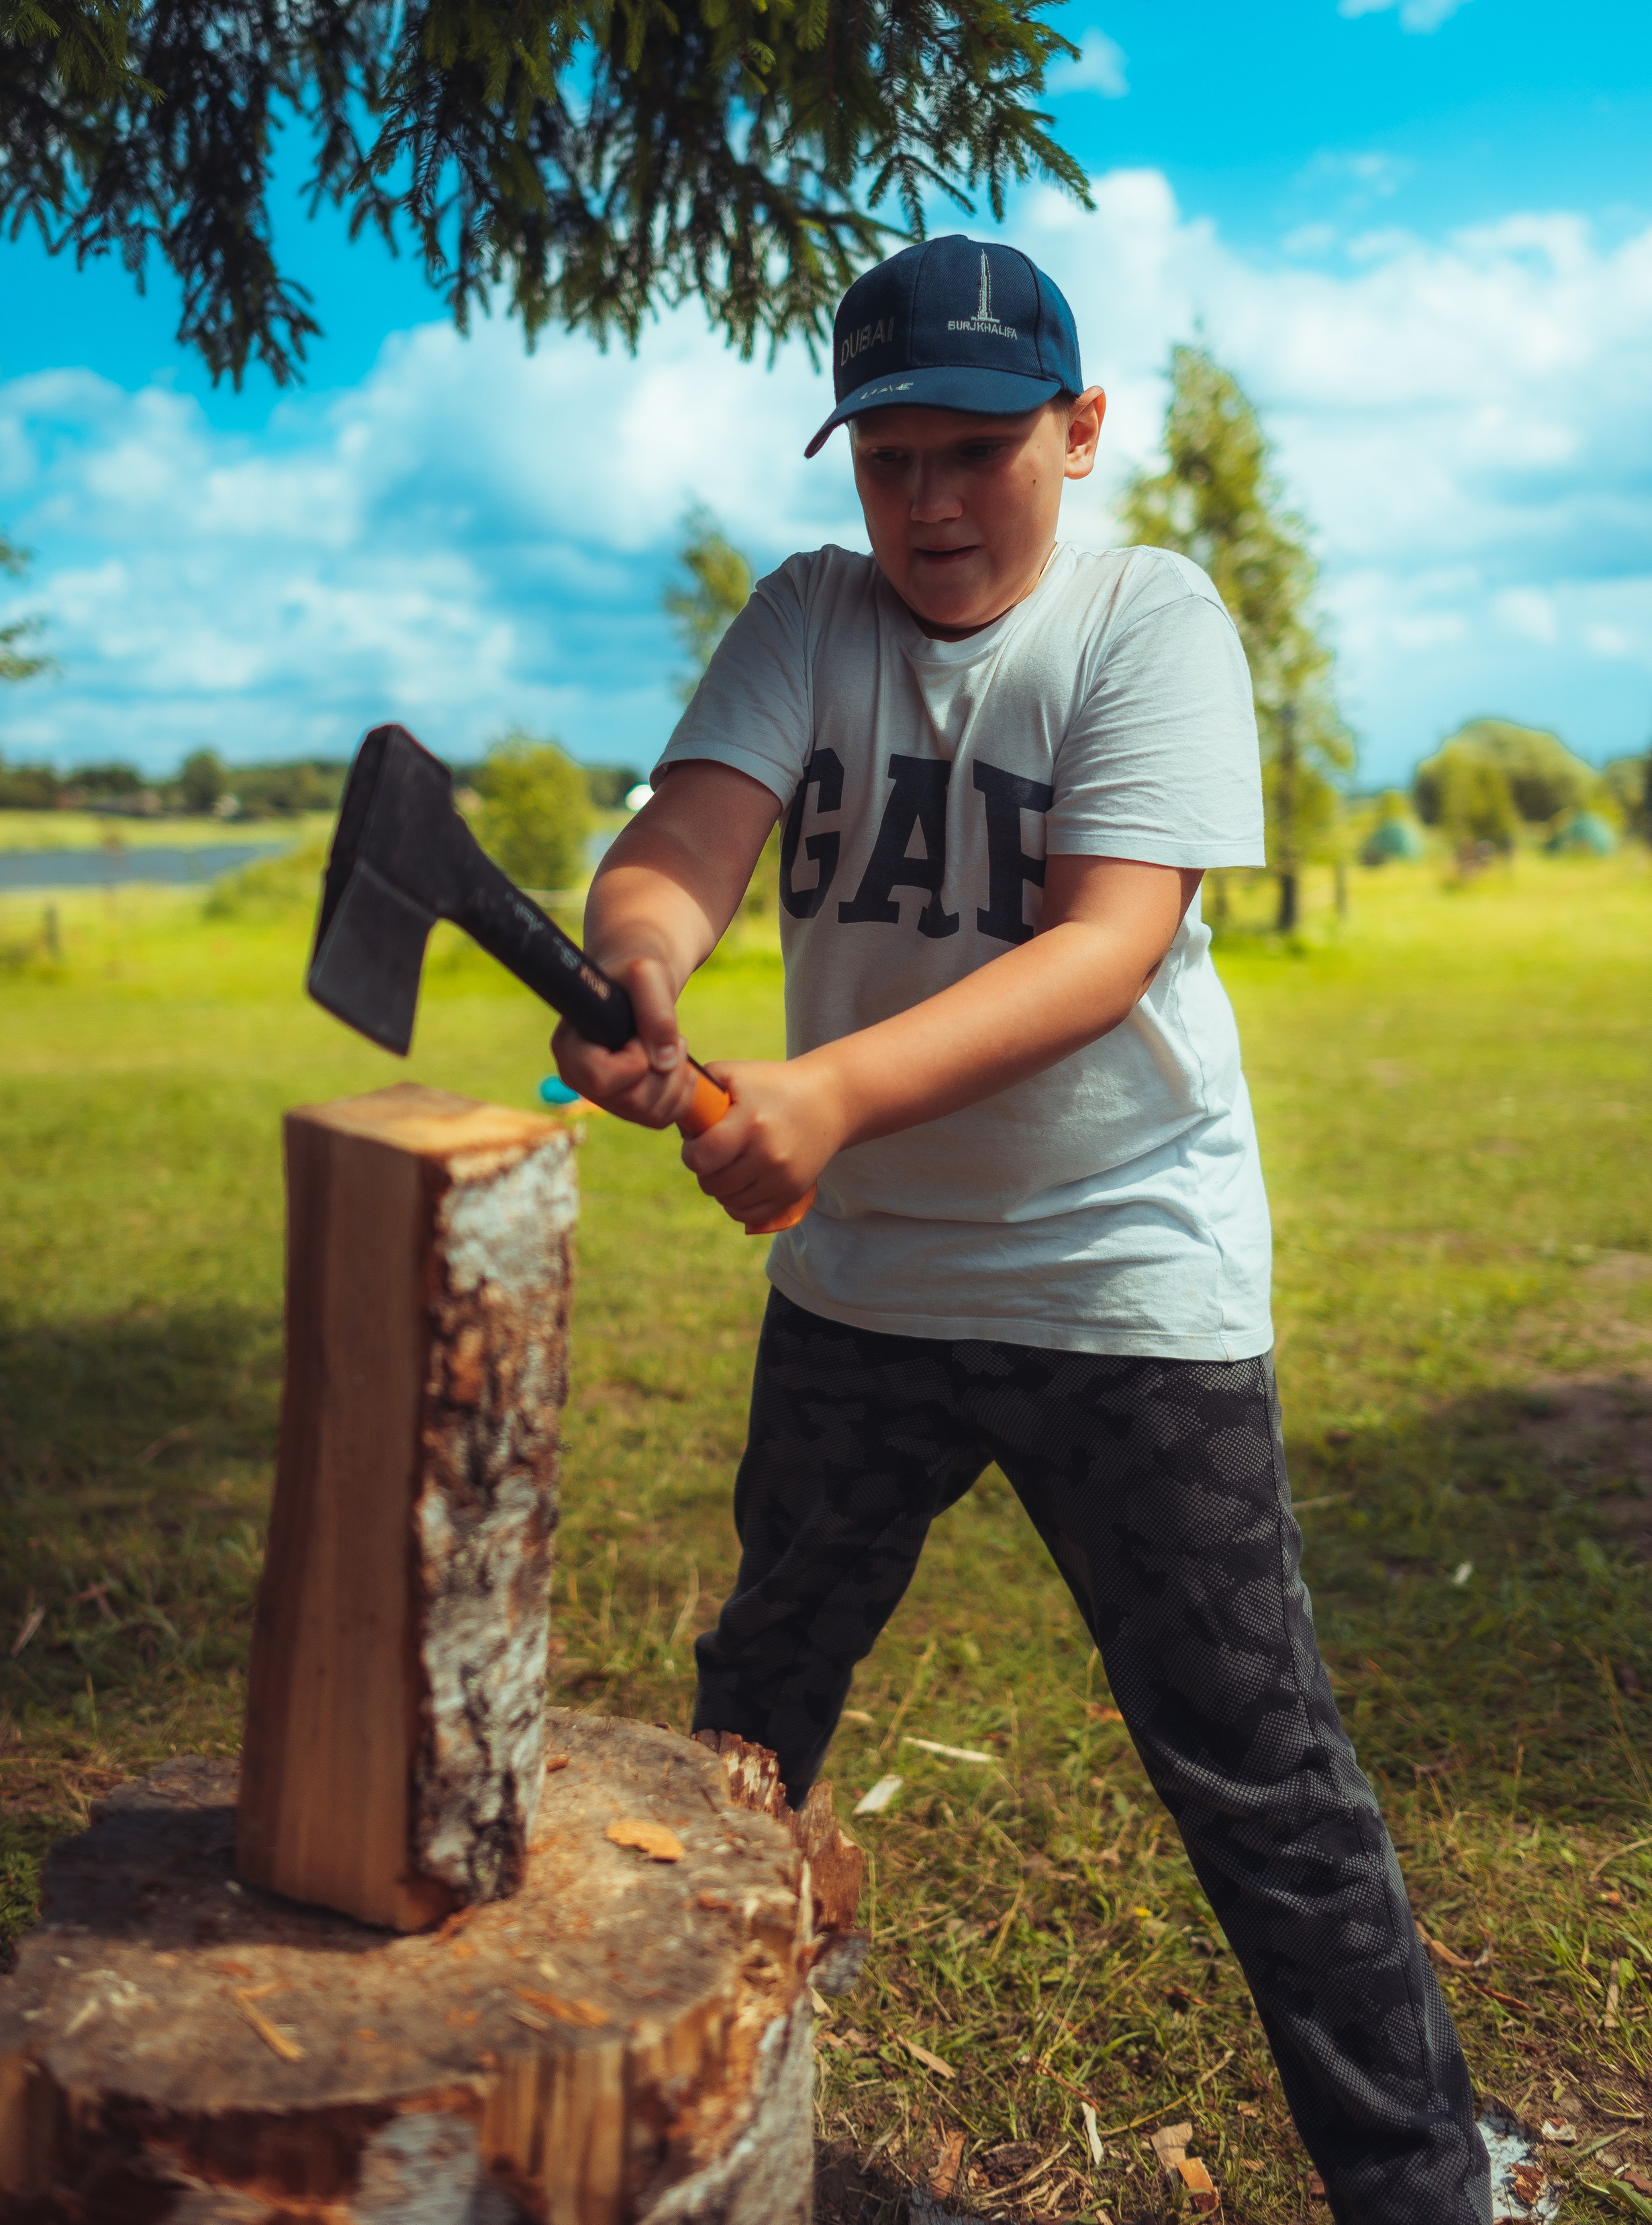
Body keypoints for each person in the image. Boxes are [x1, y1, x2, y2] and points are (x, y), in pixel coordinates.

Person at [552, 234, 1488, 2225]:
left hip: (1121, 1279)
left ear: (1079, 432)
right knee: (754, 1711)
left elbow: (1104, 947)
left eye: (977, 451)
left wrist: (824, 1095)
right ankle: (700, 2121)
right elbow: (683, 844)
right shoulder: (809, 616)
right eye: (887, 458)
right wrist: (640, 964)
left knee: (1257, 1772)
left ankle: (1427, 2187)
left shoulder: (1152, 620)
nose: (931, 503)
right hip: (863, 1287)